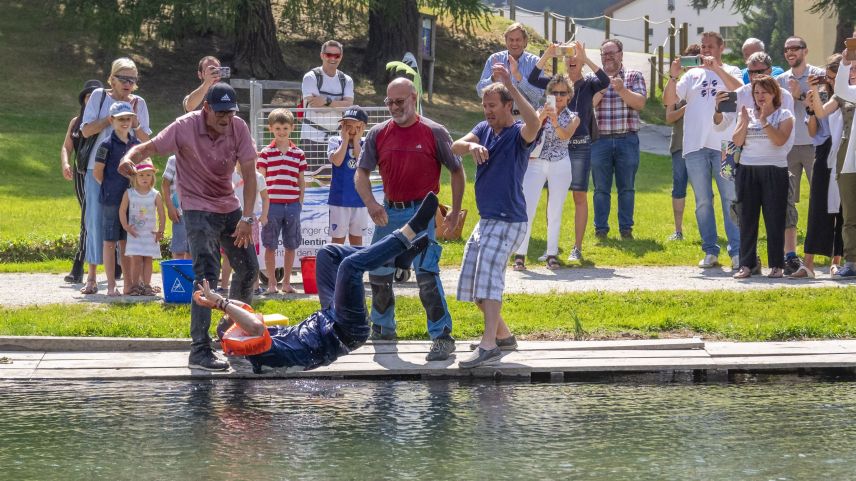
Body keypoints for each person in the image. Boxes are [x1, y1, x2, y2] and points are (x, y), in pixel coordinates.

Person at [193, 193, 440, 373]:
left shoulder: (248, 337)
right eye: (237, 322)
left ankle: (396, 258)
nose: (243, 317)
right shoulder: (255, 351)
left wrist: (216, 302)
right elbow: (252, 323)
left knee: (327, 254)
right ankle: (409, 232)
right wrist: (222, 303)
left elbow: (245, 311)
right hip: (345, 331)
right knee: (349, 267)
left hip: (329, 318)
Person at [119, 82, 259, 371]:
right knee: (206, 276)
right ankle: (200, 350)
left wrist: (247, 218)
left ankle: (230, 328)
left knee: (249, 269)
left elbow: (249, 172)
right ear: (206, 108)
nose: (226, 118)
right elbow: (148, 147)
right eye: (220, 113)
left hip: (228, 206)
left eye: (230, 112)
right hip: (197, 208)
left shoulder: (239, 128)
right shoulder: (184, 126)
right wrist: (128, 158)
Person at [354, 77, 465, 361]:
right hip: (388, 213)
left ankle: (442, 336)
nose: (393, 107)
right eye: (389, 102)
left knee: (426, 275)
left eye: (399, 101)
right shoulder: (378, 133)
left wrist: (454, 211)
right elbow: (361, 172)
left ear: (414, 98)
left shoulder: (434, 132)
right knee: (378, 272)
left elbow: (457, 171)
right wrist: (371, 204)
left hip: (422, 214)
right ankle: (383, 328)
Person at [452, 64, 540, 368]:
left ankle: (488, 345)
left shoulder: (519, 134)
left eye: (492, 105)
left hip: (509, 219)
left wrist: (511, 84)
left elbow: (535, 122)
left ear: (507, 105)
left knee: (488, 282)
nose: (487, 110)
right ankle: (504, 336)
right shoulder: (483, 129)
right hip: (487, 220)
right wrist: (471, 145)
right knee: (473, 285)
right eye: (485, 105)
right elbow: (455, 147)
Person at [664, 32, 743, 268]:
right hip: (694, 146)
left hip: (726, 146)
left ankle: (737, 251)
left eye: (710, 46)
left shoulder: (732, 70)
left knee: (730, 198)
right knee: (703, 201)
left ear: (721, 47)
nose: (706, 50)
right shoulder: (692, 75)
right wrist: (673, 75)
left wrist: (716, 69)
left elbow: (741, 90)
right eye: (703, 46)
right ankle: (710, 251)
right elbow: (669, 101)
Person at [527, 40, 609, 262]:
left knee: (579, 195)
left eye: (576, 56)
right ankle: (550, 248)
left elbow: (605, 81)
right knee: (552, 197)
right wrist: (547, 54)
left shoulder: (589, 83)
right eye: (568, 55)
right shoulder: (556, 84)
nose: (572, 60)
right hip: (555, 146)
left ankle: (577, 248)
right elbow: (532, 78)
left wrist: (586, 58)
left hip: (579, 144)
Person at [80, 57, 152, 294]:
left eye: (133, 79)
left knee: (130, 224)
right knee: (95, 221)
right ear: (112, 79)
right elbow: (85, 130)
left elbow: (147, 141)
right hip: (98, 169)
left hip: (130, 173)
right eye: (123, 78)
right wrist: (113, 117)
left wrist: (134, 121)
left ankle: (131, 281)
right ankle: (91, 277)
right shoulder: (99, 96)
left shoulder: (139, 103)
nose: (128, 84)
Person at [714, 76, 794, 278]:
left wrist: (764, 120)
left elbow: (779, 141)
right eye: (756, 92)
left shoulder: (784, 115)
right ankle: (747, 265)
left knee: (774, 218)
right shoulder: (746, 113)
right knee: (747, 219)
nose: (760, 96)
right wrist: (744, 122)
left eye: (764, 92)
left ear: (774, 93)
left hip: (774, 170)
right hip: (747, 170)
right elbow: (737, 141)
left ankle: (777, 265)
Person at [513, 73, 580, 270]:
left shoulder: (574, 117)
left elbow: (565, 135)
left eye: (562, 93)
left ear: (569, 96)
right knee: (527, 207)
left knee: (555, 210)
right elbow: (527, 133)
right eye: (554, 92)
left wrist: (555, 120)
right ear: (548, 94)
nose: (558, 97)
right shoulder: (539, 111)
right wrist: (541, 117)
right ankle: (520, 254)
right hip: (536, 162)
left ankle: (552, 254)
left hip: (560, 163)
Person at [777, 36, 826, 274]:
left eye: (795, 48)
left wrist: (798, 96)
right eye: (787, 49)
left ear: (805, 51)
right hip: (787, 147)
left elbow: (823, 106)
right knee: (786, 203)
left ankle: (831, 253)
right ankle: (790, 255)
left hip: (814, 146)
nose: (790, 52)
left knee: (822, 200)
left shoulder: (819, 75)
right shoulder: (780, 80)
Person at [591, 38, 647, 240]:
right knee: (600, 189)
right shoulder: (593, 78)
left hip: (627, 139)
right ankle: (601, 229)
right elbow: (588, 105)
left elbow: (640, 104)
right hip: (600, 141)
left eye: (611, 53)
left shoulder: (634, 75)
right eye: (604, 54)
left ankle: (626, 229)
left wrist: (622, 89)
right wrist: (602, 87)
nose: (608, 57)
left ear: (621, 54)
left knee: (627, 188)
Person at [795, 55, 845, 278]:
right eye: (828, 77)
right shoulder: (821, 95)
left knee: (843, 208)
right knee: (818, 205)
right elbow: (813, 132)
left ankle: (837, 261)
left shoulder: (849, 93)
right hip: (825, 150)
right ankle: (808, 263)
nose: (830, 81)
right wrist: (810, 110)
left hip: (846, 149)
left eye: (834, 77)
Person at [257, 108, 306, 295]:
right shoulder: (265, 153)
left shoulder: (298, 153)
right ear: (271, 128)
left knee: (290, 244)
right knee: (270, 245)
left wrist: (299, 202)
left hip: (292, 205)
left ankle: (286, 283)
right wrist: (264, 206)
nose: (282, 132)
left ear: (292, 128)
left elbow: (301, 180)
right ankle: (272, 283)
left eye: (285, 128)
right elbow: (261, 180)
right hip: (272, 206)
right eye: (277, 128)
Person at [92, 101, 138, 296]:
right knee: (110, 242)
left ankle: (129, 285)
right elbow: (97, 172)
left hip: (133, 201)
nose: (125, 122)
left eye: (128, 118)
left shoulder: (136, 145)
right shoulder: (106, 145)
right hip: (111, 200)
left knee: (126, 243)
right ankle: (111, 286)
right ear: (111, 120)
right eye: (120, 119)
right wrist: (111, 187)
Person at [60, 79, 103, 283]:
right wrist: (65, 163)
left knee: (105, 215)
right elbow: (66, 146)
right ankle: (79, 265)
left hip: (101, 173)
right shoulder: (76, 122)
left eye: (94, 96)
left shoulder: (103, 122)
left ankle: (113, 262)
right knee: (88, 217)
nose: (90, 99)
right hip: (80, 173)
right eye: (87, 96)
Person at [664, 44, 701, 242]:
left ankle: (707, 231)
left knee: (704, 190)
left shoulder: (707, 82)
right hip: (680, 144)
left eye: (697, 60)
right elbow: (669, 117)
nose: (692, 65)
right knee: (679, 186)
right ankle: (678, 231)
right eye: (689, 60)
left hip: (703, 145)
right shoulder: (678, 86)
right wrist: (687, 107)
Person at [300, 40, 355, 161]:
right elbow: (317, 108)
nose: (332, 58)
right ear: (322, 55)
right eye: (328, 55)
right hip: (311, 138)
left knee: (335, 173)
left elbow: (348, 107)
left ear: (341, 57)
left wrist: (326, 101)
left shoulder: (346, 80)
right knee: (311, 173)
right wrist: (339, 104)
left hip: (337, 140)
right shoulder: (311, 77)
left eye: (337, 55)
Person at [221, 162, 269, 295]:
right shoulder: (229, 175)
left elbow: (265, 198)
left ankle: (255, 287)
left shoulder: (258, 177)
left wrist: (264, 215)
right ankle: (223, 287)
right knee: (227, 254)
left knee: (251, 253)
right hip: (231, 217)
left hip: (251, 220)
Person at [830, 44, 856, 278]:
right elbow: (840, 89)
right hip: (850, 161)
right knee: (849, 215)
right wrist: (845, 63)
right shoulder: (853, 91)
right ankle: (852, 262)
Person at [120, 162, 165, 295]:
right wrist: (126, 226)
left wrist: (160, 231)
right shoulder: (129, 193)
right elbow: (122, 210)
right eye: (141, 175)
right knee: (136, 260)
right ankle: (135, 286)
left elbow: (162, 214)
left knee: (148, 260)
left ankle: (147, 285)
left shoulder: (155, 194)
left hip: (150, 235)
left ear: (153, 177)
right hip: (135, 234)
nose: (145, 178)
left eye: (148, 175)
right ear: (135, 177)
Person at [327, 106, 369, 246]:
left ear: (363, 127)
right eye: (347, 125)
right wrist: (345, 141)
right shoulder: (335, 140)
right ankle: (336, 262)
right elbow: (337, 161)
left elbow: (362, 162)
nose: (350, 130)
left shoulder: (366, 142)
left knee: (357, 241)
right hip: (339, 199)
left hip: (360, 200)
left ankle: (354, 262)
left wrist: (356, 141)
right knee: (337, 241)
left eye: (355, 126)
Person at [476, 22, 544, 108]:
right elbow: (480, 92)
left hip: (525, 115)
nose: (514, 43)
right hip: (500, 114)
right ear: (506, 41)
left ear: (525, 41)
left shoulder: (535, 62)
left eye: (518, 40)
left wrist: (518, 76)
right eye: (511, 40)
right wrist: (493, 78)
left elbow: (537, 97)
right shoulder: (494, 59)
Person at [161, 155, 191, 260]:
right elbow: (165, 185)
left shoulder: (201, 158)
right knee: (179, 250)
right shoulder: (173, 160)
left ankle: (190, 271)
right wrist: (170, 206)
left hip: (197, 212)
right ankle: (178, 270)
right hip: (179, 213)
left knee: (193, 249)